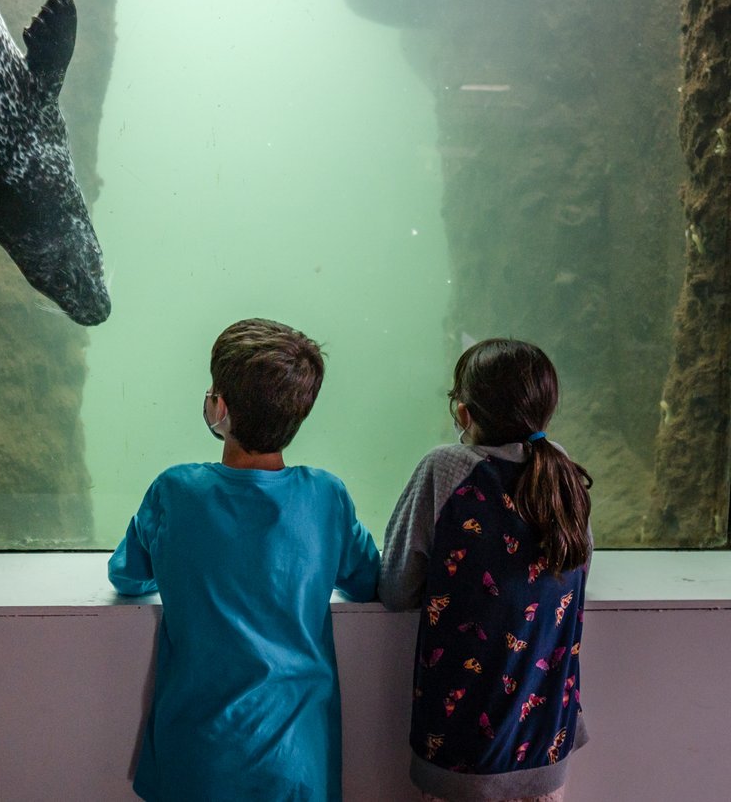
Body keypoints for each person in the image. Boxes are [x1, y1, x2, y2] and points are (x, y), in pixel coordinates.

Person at [108, 318, 381, 801]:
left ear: (220, 407)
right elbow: (365, 580)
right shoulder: (326, 496)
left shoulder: (176, 489)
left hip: (197, 758)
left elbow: (126, 575)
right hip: (300, 764)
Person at [379, 338, 593, 802]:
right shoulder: (566, 477)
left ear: (463, 413)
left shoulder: (445, 467)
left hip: (463, 755)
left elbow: (396, 588)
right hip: (548, 745)